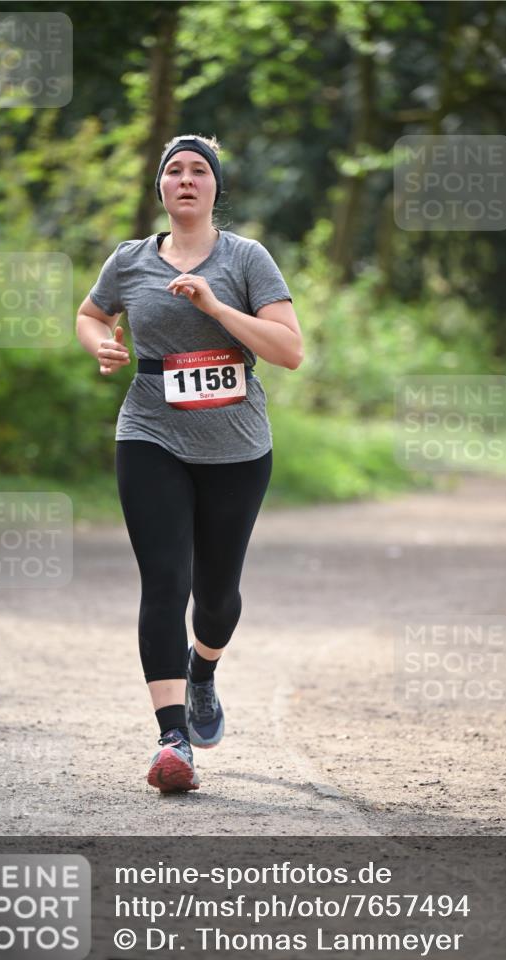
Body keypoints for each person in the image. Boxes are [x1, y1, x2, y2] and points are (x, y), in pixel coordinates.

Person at [76, 133, 303, 793]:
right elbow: (90, 314)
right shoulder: (129, 261)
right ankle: (172, 740)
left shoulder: (246, 258)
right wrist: (103, 344)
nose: (184, 178)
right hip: (150, 431)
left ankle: (202, 671)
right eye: (172, 170)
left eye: (197, 170)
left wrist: (213, 305)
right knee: (164, 580)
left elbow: (289, 351)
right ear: (160, 188)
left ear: (213, 188)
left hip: (236, 444)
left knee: (216, 598)